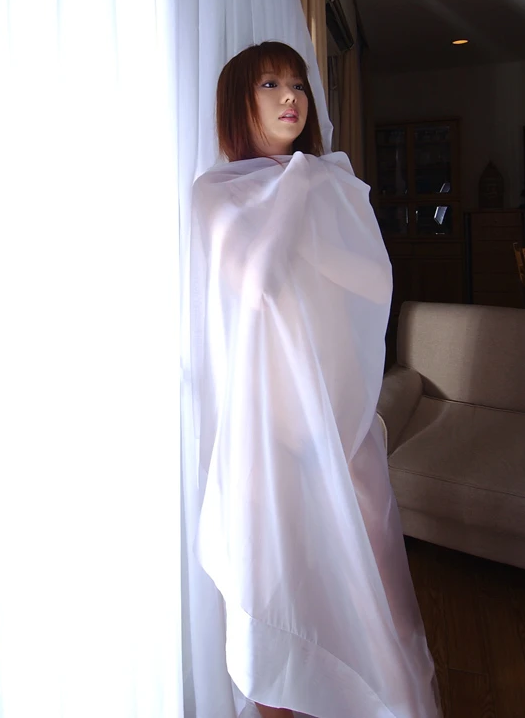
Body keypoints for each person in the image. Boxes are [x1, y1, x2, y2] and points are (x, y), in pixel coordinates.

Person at [187, 41, 443, 718]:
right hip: (265, 439)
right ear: (238, 100)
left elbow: (371, 280)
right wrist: (299, 182)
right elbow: (258, 285)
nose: (290, 96)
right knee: (277, 604)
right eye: (270, 84)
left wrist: (315, 190)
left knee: (380, 597)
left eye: (297, 83)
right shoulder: (217, 192)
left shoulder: (330, 183)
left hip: (340, 424)